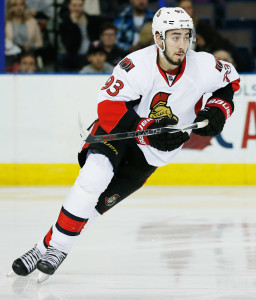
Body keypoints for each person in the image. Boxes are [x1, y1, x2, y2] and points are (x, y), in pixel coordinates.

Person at [11, 7, 240, 281]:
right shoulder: (136, 64)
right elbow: (109, 106)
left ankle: (40, 248)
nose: (182, 44)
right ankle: (60, 248)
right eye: (174, 36)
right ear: (158, 38)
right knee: (93, 178)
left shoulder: (202, 65)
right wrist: (145, 127)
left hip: (152, 156)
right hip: (120, 134)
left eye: (186, 36)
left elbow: (230, 83)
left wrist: (219, 108)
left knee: (94, 207)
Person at [58, 0, 90, 72]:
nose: (77, 8)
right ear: (69, 6)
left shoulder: (90, 20)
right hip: (73, 55)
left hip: (90, 55)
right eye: (74, 5)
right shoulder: (65, 23)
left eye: (80, 5)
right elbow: (69, 44)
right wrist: (73, 24)